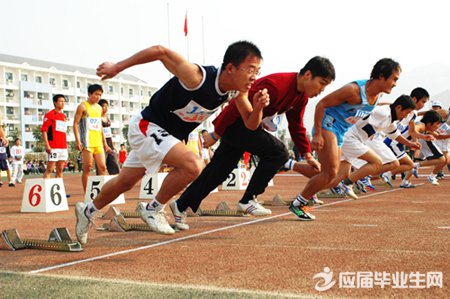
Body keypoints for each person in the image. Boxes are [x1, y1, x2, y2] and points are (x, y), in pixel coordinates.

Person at [75, 41, 269, 244]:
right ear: (231, 68)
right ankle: (153, 209)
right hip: (147, 126)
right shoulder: (197, 77)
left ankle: (87, 211)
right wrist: (117, 67)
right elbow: (161, 51)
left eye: (258, 71)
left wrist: (258, 108)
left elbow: (250, 123)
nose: (254, 77)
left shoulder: (237, 91)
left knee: (126, 181)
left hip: (165, 136)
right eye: (250, 70)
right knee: (193, 165)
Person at [170, 56, 335, 230]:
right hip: (238, 124)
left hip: (247, 127)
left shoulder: (300, 97)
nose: (322, 90)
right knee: (279, 152)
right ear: (308, 75)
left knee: (218, 172)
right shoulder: (277, 85)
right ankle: (248, 199)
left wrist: (307, 154)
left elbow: (296, 125)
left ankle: (181, 205)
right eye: (322, 83)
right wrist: (217, 133)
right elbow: (237, 101)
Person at [289, 58, 401, 220]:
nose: (395, 83)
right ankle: (299, 202)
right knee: (330, 172)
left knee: (336, 176)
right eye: (394, 79)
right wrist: (318, 134)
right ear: (382, 76)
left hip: (341, 132)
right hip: (329, 126)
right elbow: (321, 104)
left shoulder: (376, 97)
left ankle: (304, 189)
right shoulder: (353, 90)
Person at [329, 95, 420, 199]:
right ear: (398, 107)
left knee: (341, 176)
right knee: (377, 162)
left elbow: (394, 134)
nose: (405, 117)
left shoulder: (390, 120)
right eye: (406, 113)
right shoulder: (383, 112)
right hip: (350, 138)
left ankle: (311, 193)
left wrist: (410, 144)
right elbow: (366, 109)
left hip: (350, 139)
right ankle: (347, 183)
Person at [381, 87, 432, 188]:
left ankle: (385, 175)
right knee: (409, 165)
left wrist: (423, 136)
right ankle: (385, 174)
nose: (423, 105)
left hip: (397, 141)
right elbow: (387, 105)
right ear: (414, 99)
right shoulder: (399, 108)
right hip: (392, 142)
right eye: (423, 101)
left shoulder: (413, 114)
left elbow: (412, 131)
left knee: (407, 165)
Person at [73, 84, 111, 192]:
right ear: (89, 94)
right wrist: (78, 141)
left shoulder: (99, 108)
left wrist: (105, 143)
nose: (98, 97)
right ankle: (87, 193)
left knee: (102, 167)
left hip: (98, 142)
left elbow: (100, 126)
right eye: (96, 94)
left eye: (100, 95)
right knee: (88, 167)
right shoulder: (82, 106)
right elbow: (75, 123)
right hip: (87, 142)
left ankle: (103, 192)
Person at [41, 94, 69, 179]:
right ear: (55, 103)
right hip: (53, 146)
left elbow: (63, 132)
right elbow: (44, 130)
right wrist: (47, 144)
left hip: (63, 147)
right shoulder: (50, 114)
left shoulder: (64, 116)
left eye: (64, 102)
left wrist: (66, 146)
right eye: (60, 101)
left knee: (60, 170)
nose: (63, 103)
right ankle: (45, 189)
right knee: (50, 169)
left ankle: (59, 190)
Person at [98, 99, 120, 175]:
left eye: (107, 106)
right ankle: (101, 184)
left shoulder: (107, 117)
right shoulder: (97, 118)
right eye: (103, 106)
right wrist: (104, 144)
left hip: (109, 144)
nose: (105, 108)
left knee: (114, 164)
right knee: (101, 166)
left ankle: (115, 182)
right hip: (100, 144)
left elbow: (108, 133)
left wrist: (112, 145)